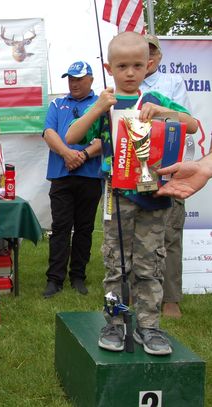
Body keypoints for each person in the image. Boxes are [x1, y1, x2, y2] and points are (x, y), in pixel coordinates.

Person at [66, 32, 198, 356]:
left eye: (137, 65)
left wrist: (164, 113)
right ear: (109, 67)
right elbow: (72, 135)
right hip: (116, 196)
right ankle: (115, 322)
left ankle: (149, 327)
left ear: (148, 65)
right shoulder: (106, 103)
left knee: (150, 264)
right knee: (116, 264)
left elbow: (193, 124)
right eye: (122, 66)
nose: (129, 72)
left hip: (154, 196)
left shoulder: (156, 102)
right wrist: (97, 107)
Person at [140, 34, 191, 319]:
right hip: (132, 171)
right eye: (140, 52)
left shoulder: (172, 84)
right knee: (136, 236)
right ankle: (136, 292)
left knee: (170, 235)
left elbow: (188, 124)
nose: (145, 59)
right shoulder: (124, 85)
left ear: (159, 57)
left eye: (151, 53)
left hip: (167, 168)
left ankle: (170, 298)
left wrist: (159, 110)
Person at [42, 61, 102, 298]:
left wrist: (84, 154)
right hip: (61, 174)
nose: (74, 83)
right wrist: (67, 154)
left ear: (91, 80)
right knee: (60, 228)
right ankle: (54, 279)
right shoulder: (57, 103)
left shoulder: (100, 104)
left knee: (84, 228)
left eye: (79, 79)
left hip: (89, 175)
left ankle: (78, 276)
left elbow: (103, 138)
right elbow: (49, 133)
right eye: (71, 79)